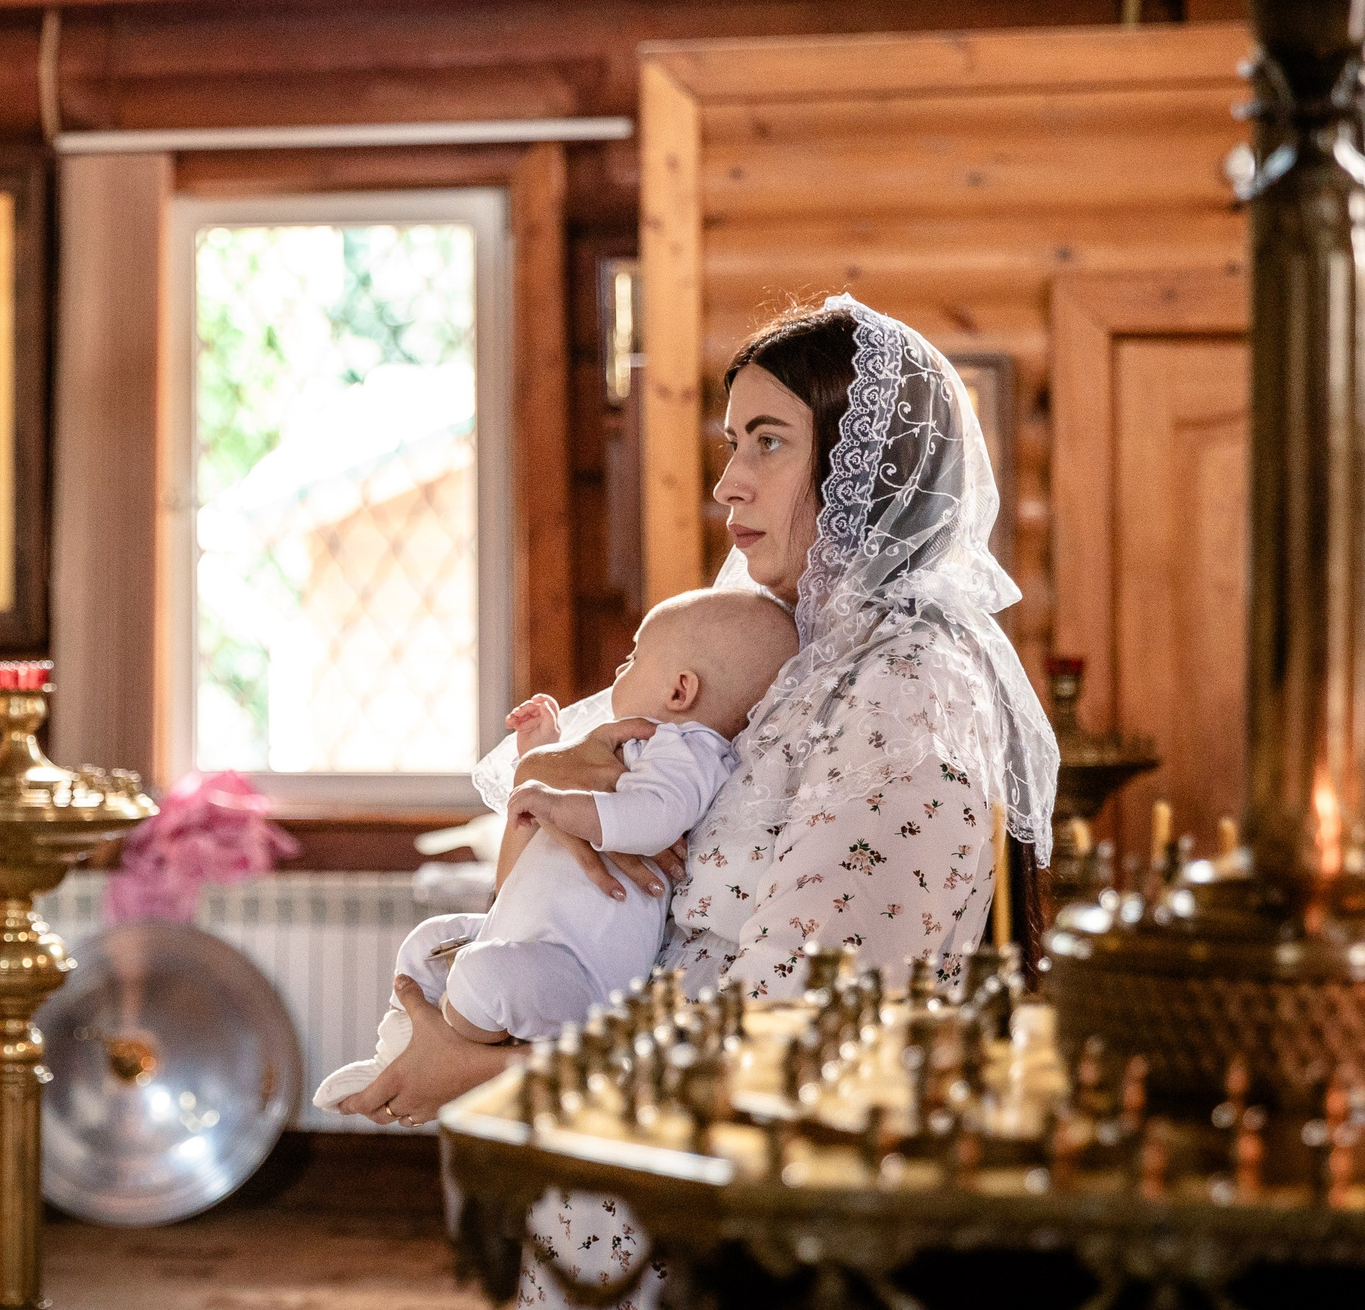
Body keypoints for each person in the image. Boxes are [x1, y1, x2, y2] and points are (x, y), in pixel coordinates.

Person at [338, 293, 1056, 1309]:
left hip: (726, 1230)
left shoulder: (908, 686)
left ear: (865, 464)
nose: (728, 481)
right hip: (627, 1187)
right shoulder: (793, 663)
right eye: (731, 443)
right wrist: (549, 809)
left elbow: (805, 1037)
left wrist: (483, 1075)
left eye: (769, 441)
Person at [312, 588, 796, 1111]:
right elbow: (565, 808)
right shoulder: (644, 746)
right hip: (528, 932)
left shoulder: (691, 750)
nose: (621, 669)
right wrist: (542, 753)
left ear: (680, 690)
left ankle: (444, 1051)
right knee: (429, 940)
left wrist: (553, 801)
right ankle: (395, 1052)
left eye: (634, 657)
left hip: (578, 969)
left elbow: (653, 820)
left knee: (481, 976)